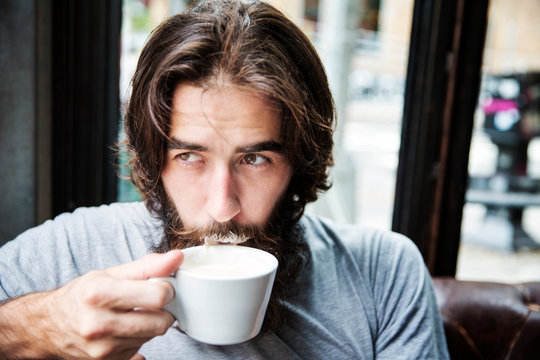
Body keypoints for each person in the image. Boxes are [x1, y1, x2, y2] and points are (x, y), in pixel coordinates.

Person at [0, 0, 449, 359]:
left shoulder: (382, 272)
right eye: (190, 156)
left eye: (254, 159)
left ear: (300, 163)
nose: (222, 206)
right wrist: (39, 327)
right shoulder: (72, 251)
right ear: (155, 160)